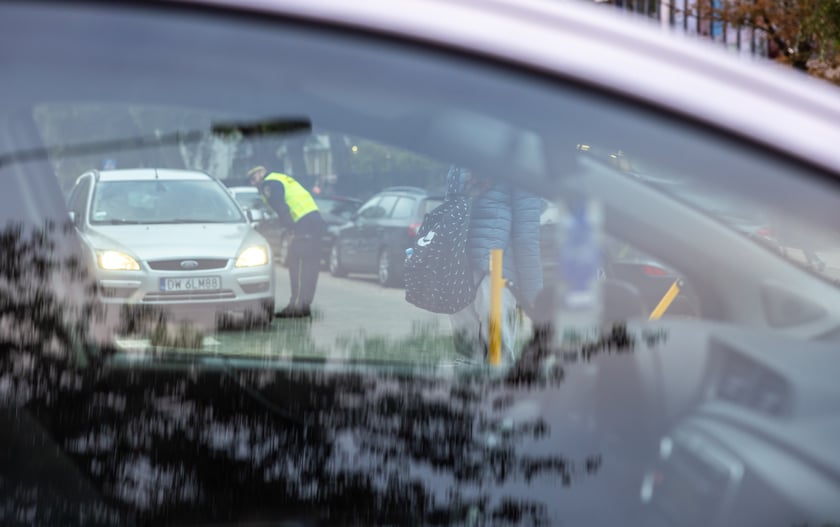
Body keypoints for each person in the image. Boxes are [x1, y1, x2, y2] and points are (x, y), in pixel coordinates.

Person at [447, 166, 543, 364]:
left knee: (467, 359)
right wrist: (534, 296)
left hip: (457, 267)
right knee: (497, 359)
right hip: (495, 272)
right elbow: (525, 239)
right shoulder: (522, 173)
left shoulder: (458, 165)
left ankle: (468, 394)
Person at [248, 165, 327, 318]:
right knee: (311, 266)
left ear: (261, 173)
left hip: (302, 225)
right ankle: (304, 305)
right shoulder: (280, 177)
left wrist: (290, 229)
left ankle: (296, 307)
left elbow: (281, 207)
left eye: (253, 178)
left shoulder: (269, 184)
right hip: (315, 222)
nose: (253, 183)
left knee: (297, 263)